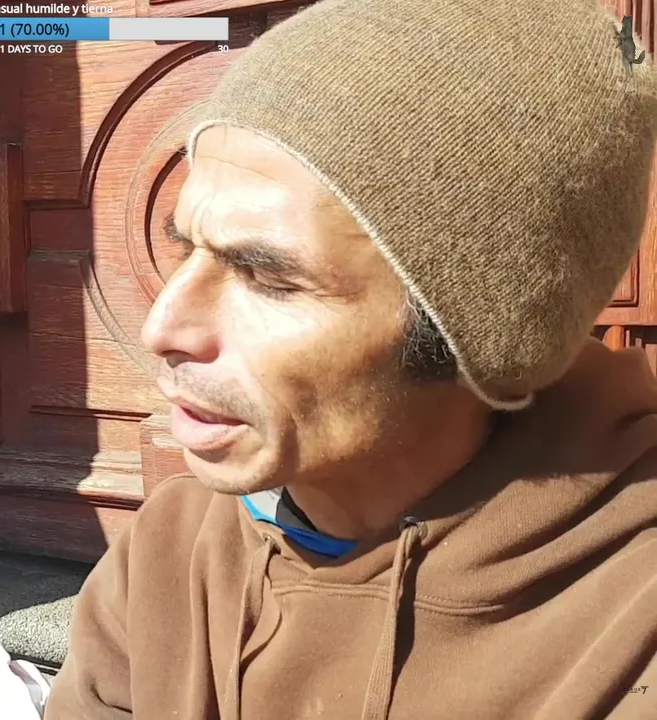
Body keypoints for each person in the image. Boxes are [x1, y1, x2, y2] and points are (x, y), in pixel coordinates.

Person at [43, 0, 657, 718]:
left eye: (268, 278)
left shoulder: (628, 615)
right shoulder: (169, 555)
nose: (162, 328)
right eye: (186, 249)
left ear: (477, 330)